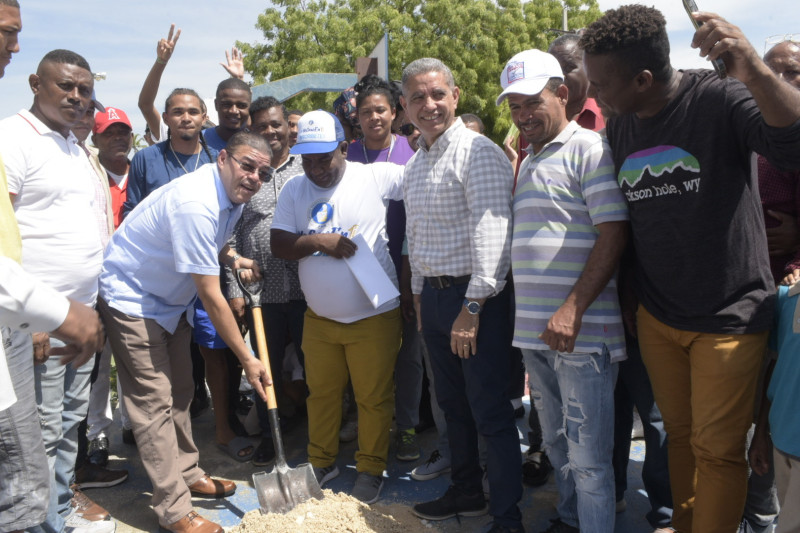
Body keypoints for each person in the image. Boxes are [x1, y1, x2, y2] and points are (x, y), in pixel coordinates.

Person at [579, 5, 800, 532]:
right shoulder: (623, 124)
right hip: (658, 316)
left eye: (602, 83)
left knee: (718, 452)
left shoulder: (721, 98)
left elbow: (790, 144)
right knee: (680, 438)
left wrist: (752, 65)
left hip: (729, 316)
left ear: (643, 79)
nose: (595, 93)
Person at [98, 131, 272, 533]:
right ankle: (173, 509)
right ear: (224, 158)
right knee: (154, 404)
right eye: (247, 165)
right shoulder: (197, 202)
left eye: (262, 172)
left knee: (181, 393)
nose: (253, 177)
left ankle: (188, 473)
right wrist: (248, 358)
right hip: (132, 300)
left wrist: (234, 256)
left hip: (168, 302)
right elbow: (211, 297)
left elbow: (213, 244)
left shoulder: (229, 196)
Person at [498, 48, 629, 533]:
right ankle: (571, 519)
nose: (522, 115)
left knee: (590, 458)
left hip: (581, 336)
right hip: (537, 337)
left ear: (562, 94)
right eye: (513, 106)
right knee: (556, 445)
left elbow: (613, 232)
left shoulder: (588, 149)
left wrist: (572, 310)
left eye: (532, 101)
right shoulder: (530, 159)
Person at [400, 58, 522, 533]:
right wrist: (416, 295)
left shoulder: (479, 152)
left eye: (436, 94)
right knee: (453, 409)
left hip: (475, 303)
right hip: (434, 299)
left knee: (490, 411)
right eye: (416, 97)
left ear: (455, 95)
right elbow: (418, 235)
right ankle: (467, 492)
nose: (428, 105)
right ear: (405, 107)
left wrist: (472, 306)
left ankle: (508, 518)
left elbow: (494, 235)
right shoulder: (416, 164)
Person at [0, 48, 116, 533]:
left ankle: (60, 511)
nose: (75, 96)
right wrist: (28, 322)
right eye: (65, 86)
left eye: (84, 90)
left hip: (82, 316)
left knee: (69, 421)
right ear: (35, 83)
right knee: (39, 434)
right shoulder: (12, 139)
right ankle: (41, 523)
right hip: (39, 324)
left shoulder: (76, 148)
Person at [271, 110, 404, 504]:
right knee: (322, 395)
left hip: (374, 317)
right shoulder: (294, 189)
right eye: (307, 160)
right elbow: (279, 244)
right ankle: (321, 461)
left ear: (344, 148)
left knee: (372, 399)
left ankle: (370, 468)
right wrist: (318, 242)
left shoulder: (373, 176)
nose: (315, 169)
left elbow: (425, 177)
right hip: (320, 319)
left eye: (323, 159)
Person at [225, 95, 306, 466]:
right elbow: (230, 234)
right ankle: (274, 437)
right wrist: (235, 290)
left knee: (317, 367)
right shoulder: (245, 174)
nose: (271, 131)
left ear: (289, 126)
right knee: (265, 367)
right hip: (263, 295)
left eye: (277, 124)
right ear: (251, 131)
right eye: (262, 127)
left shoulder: (310, 166)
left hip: (310, 291)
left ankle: (320, 433)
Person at [346, 75, 422, 462]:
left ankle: (406, 426)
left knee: (408, 354)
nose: (373, 117)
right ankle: (365, 422)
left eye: (381, 109)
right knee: (364, 355)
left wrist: (410, 282)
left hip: (408, 269)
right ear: (356, 117)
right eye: (365, 111)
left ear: (395, 112)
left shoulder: (413, 152)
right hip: (359, 272)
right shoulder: (345, 157)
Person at [68, 106, 130, 496]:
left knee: (133, 362)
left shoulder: (138, 171)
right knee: (95, 369)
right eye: (109, 133)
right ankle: (97, 438)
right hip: (91, 286)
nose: (117, 139)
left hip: (129, 284)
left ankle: (132, 426)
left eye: (123, 132)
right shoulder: (85, 173)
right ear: (96, 138)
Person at [137, 24, 245, 144]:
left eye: (193, 112)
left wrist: (239, 80)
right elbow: (145, 105)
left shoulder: (219, 149)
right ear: (166, 118)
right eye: (178, 112)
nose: (186, 118)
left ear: (204, 118)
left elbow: (242, 118)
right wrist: (161, 61)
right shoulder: (167, 138)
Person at [202, 78, 251, 151]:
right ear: (216, 105)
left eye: (241, 105)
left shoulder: (259, 143)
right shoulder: (199, 140)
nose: (234, 111)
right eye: (227, 105)